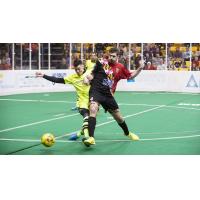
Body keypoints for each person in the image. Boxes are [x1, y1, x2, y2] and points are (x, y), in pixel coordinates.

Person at [69, 48, 144, 141]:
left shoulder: (120, 67)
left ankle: (127, 133)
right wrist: (88, 79)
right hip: (96, 90)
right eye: (110, 56)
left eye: (114, 56)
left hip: (108, 94)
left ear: (118, 57)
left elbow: (131, 76)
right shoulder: (102, 63)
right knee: (93, 109)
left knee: (119, 118)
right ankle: (91, 138)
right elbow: (92, 74)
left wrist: (140, 68)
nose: (111, 58)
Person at [35, 59, 91, 139]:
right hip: (81, 102)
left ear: (83, 66)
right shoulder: (72, 77)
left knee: (90, 122)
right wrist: (44, 75)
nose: (78, 71)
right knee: (86, 117)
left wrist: (90, 80)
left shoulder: (89, 74)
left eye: (79, 69)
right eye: (76, 69)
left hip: (92, 101)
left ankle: (78, 134)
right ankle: (87, 137)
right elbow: (58, 80)